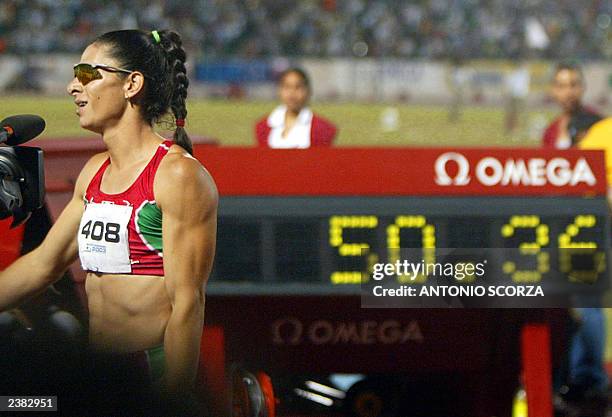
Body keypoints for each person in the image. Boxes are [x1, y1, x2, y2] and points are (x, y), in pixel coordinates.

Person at [0, 29, 218, 400]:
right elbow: (43, 264)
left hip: (148, 375)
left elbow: (187, 304)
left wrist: (173, 400)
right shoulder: (95, 171)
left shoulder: (178, 175)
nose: (72, 86)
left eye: (87, 73)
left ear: (132, 84)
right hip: (99, 370)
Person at [255, 67, 337, 148]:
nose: (292, 93)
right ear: (279, 90)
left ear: (308, 91)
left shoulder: (322, 129)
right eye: (287, 87)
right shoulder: (263, 126)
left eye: (298, 87)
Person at [542, 62, 600, 149]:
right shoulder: (550, 131)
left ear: (582, 87)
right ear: (553, 90)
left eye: (573, 85)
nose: (568, 92)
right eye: (561, 86)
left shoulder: (597, 124)